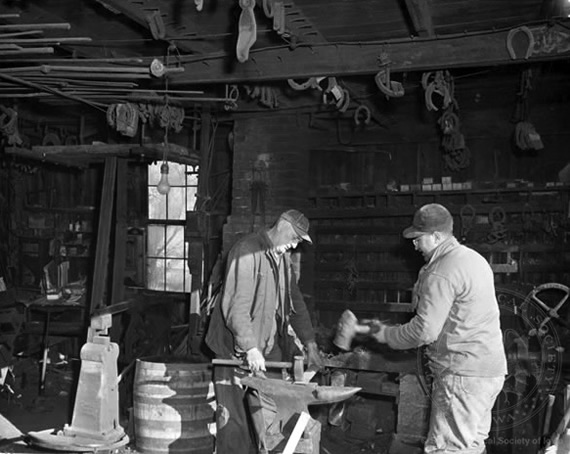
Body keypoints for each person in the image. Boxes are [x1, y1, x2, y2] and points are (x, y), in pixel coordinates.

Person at [370, 203, 507, 454]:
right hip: (489, 373)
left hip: (462, 374)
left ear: (436, 236)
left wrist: (386, 334)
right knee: (470, 446)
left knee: (447, 449)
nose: (415, 245)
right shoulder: (473, 259)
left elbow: (424, 331)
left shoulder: (442, 271)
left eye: (418, 239)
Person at [205, 209, 322, 454]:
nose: (294, 245)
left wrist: (310, 344)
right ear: (283, 226)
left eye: (299, 241)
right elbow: (236, 305)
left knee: (273, 415)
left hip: (268, 348)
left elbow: (296, 304)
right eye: (295, 238)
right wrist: (250, 347)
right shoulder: (247, 251)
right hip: (233, 350)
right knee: (233, 422)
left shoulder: (282, 260)